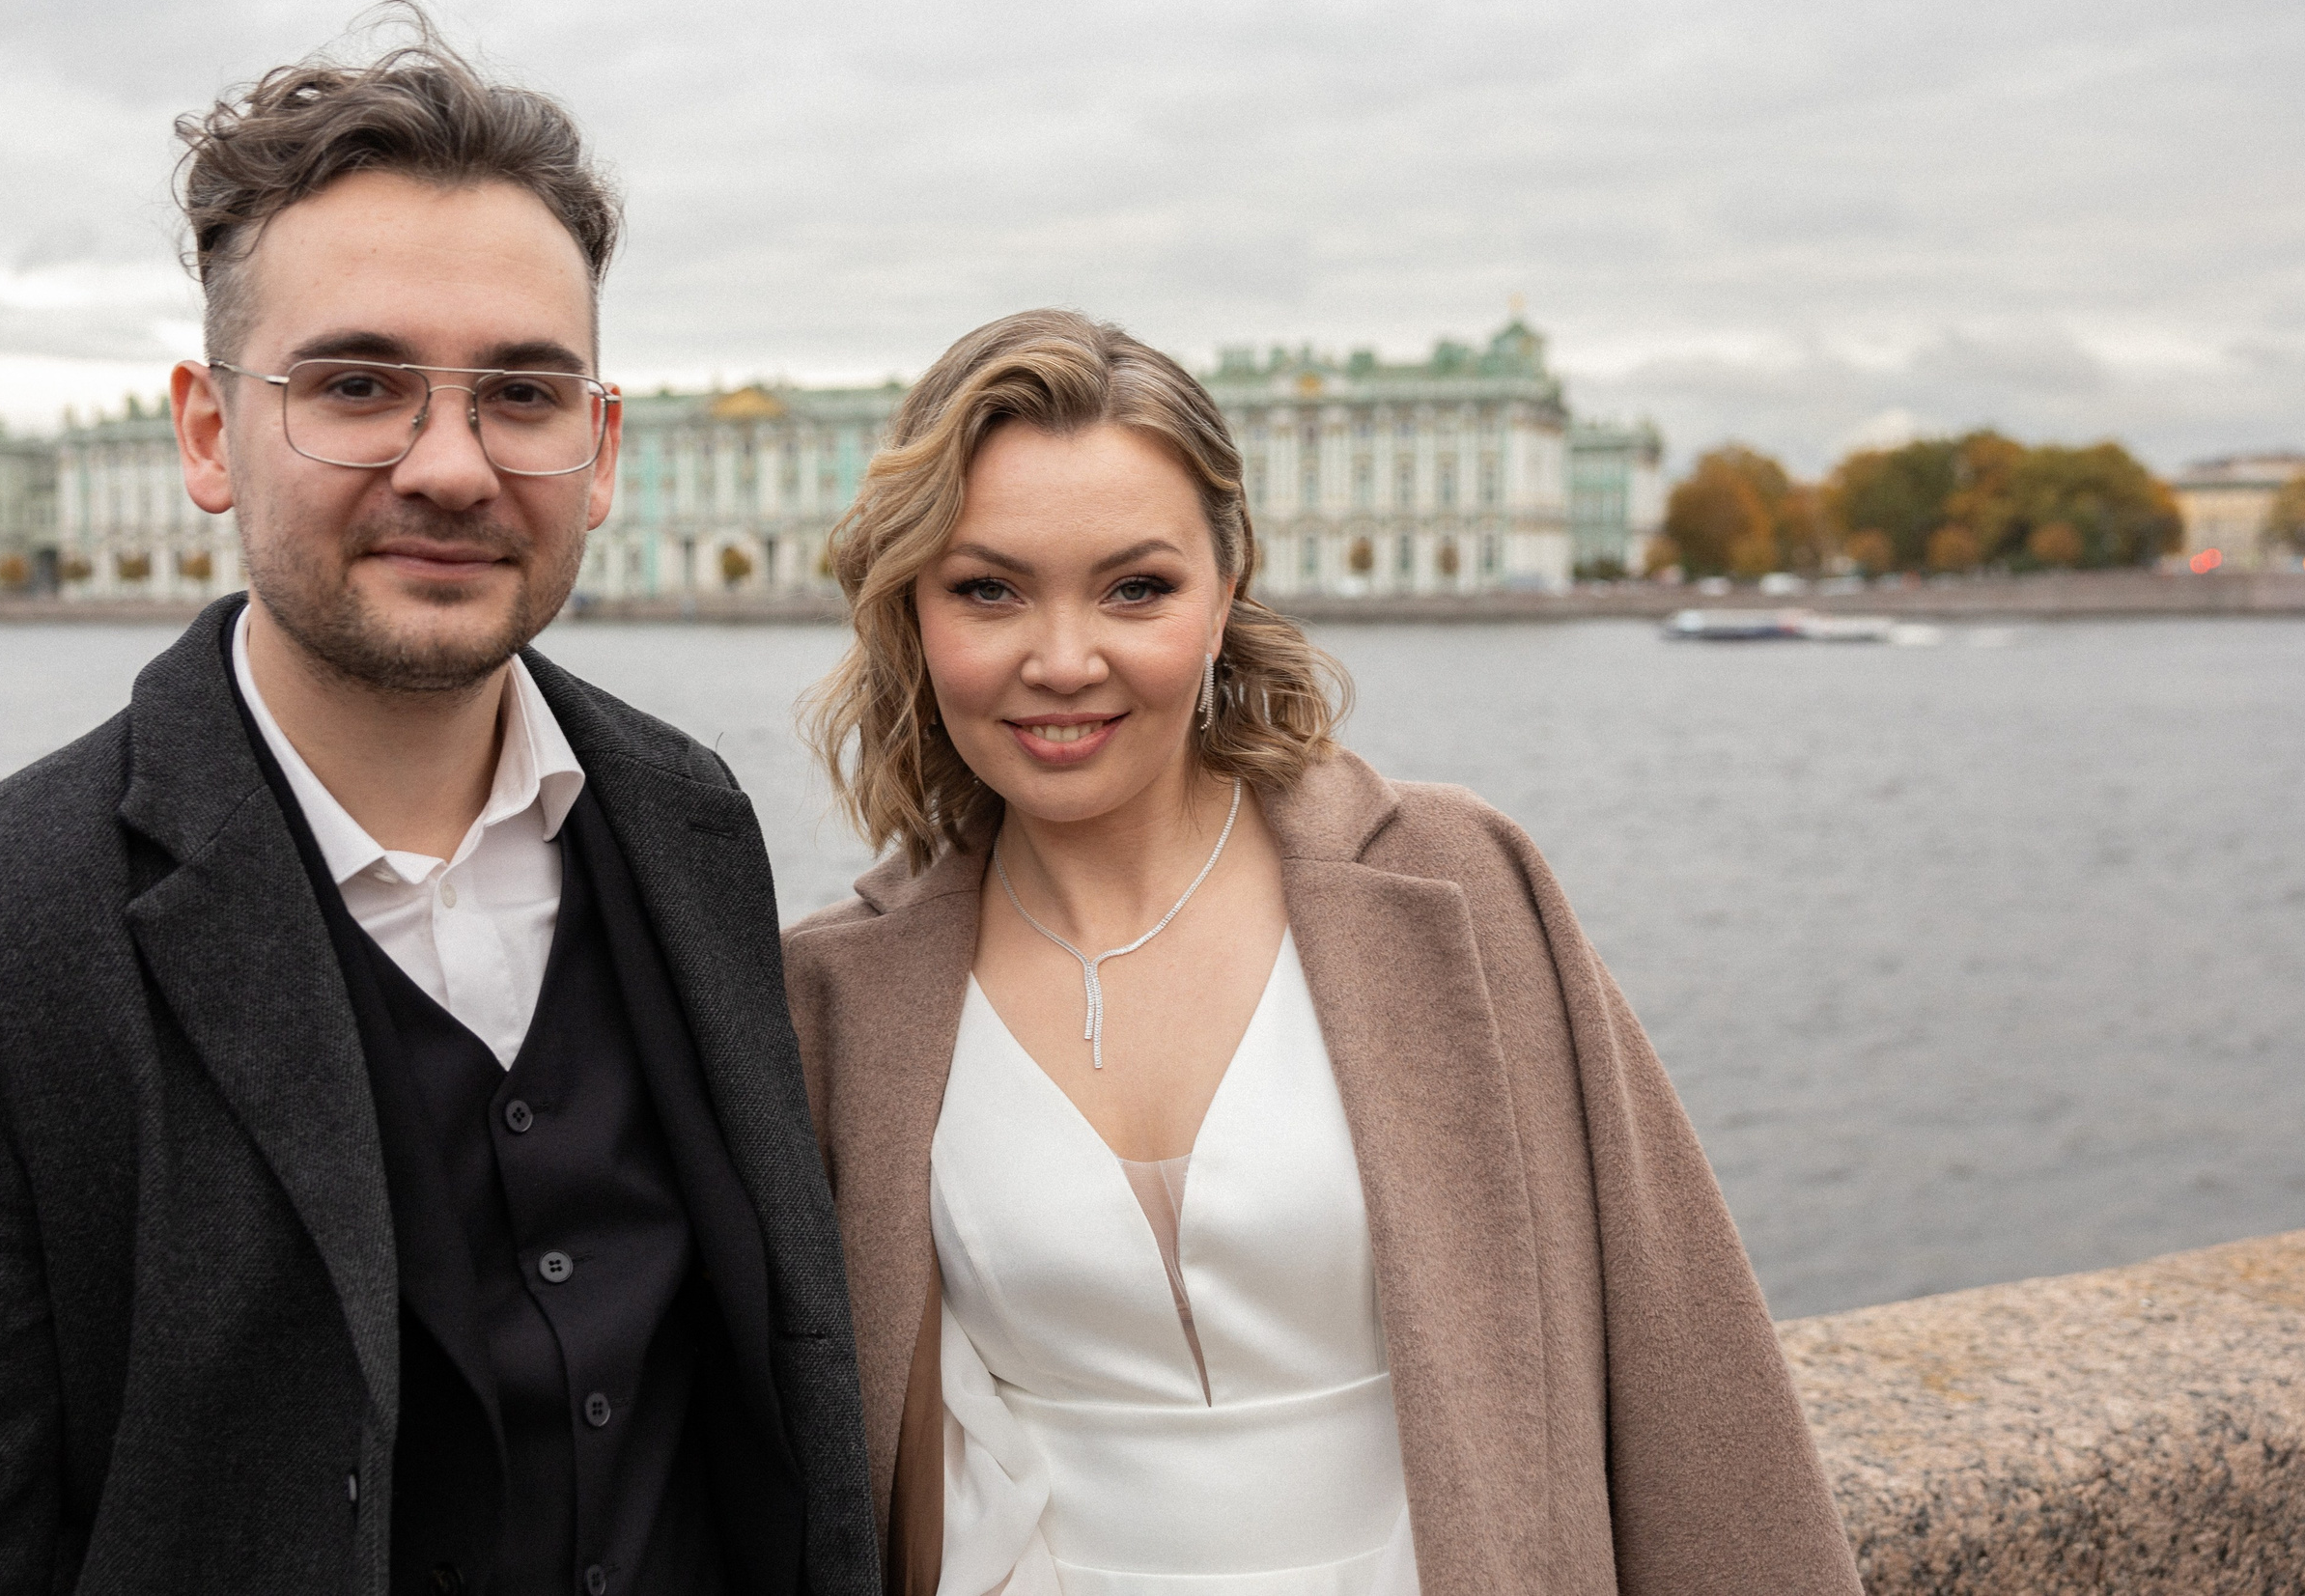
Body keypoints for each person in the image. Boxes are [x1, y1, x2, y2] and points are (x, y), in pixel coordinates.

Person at [0, 19, 877, 1596]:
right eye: (357, 383)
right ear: (208, 431)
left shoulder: (693, 820)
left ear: (598, 453)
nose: (451, 465)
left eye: (522, 395)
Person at [783, 309, 1860, 1595]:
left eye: (1137, 588)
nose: (1062, 661)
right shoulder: (839, 996)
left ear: (1227, 592)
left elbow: (1685, 1363)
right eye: (988, 590)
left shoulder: (1456, 887)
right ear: (912, 607)